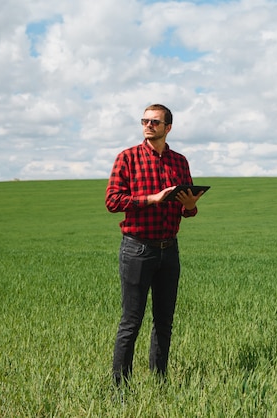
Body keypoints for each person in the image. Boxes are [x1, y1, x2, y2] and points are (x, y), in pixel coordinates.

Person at [105, 103, 203, 385]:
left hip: (169, 249)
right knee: (131, 322)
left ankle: (159, 381)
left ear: (168, 127)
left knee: (164, 321)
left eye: (155, 122)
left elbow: (187, 211)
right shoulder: (127, 158)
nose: (148, 125)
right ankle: (120, 387)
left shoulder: (180, 162)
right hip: (137, 249)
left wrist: (190, 205)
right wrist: (152, 198)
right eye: (145, 121)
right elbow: (112, 202)